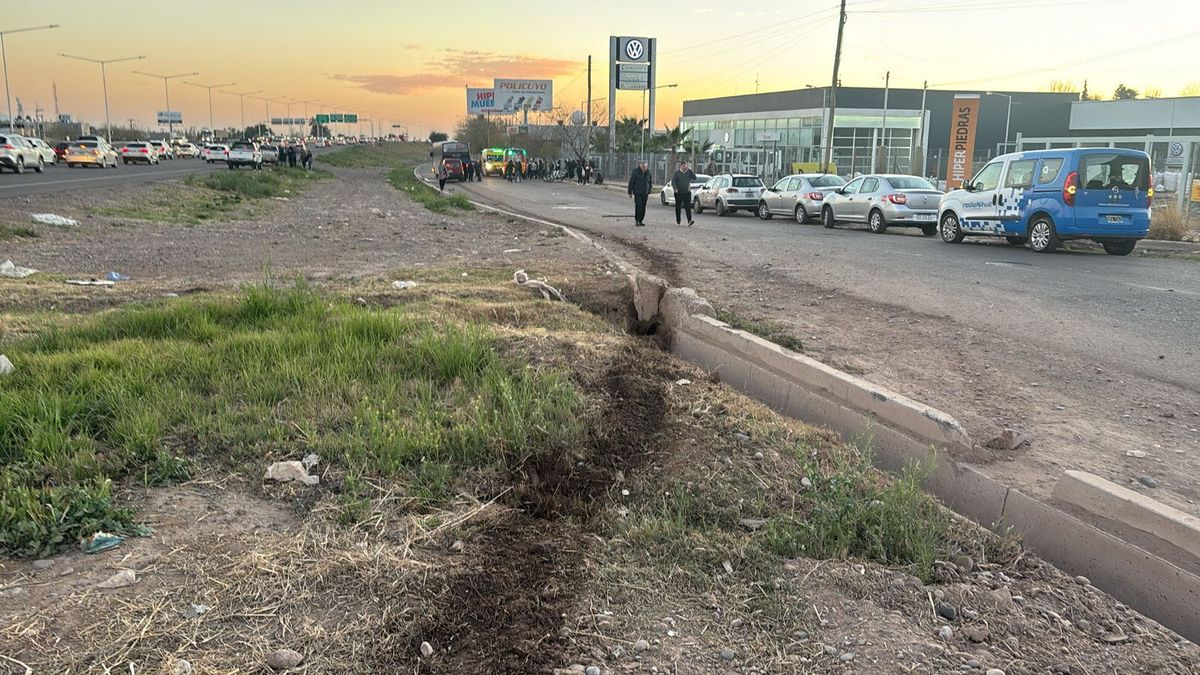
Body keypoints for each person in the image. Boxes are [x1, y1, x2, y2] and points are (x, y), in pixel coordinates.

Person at [671, 160, 698, 226]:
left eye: (685, 166)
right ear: (681, 166)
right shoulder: (677, 173)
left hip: (687, 192)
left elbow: (695, 178)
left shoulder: (689, 172)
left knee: (688, 206)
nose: (684, 167)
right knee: (678, 207)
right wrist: (675, 188)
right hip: (678, 192)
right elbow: (673, 181)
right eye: (683, 166)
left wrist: (690, 171)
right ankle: (678, 221)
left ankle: (689, 220)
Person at [627, 160, 652, 227]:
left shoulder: (648, 173)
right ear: (640, 165)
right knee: (638, 206)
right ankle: (637, 220)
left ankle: (641, 220)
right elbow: (631, 182)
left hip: (645, 193)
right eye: (642, 165)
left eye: (645, 166)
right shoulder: (635, 172)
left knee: (643, 207)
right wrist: (630, 192)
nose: (644, 167)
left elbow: (650, 182)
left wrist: (649, 190)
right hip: (638, 192)